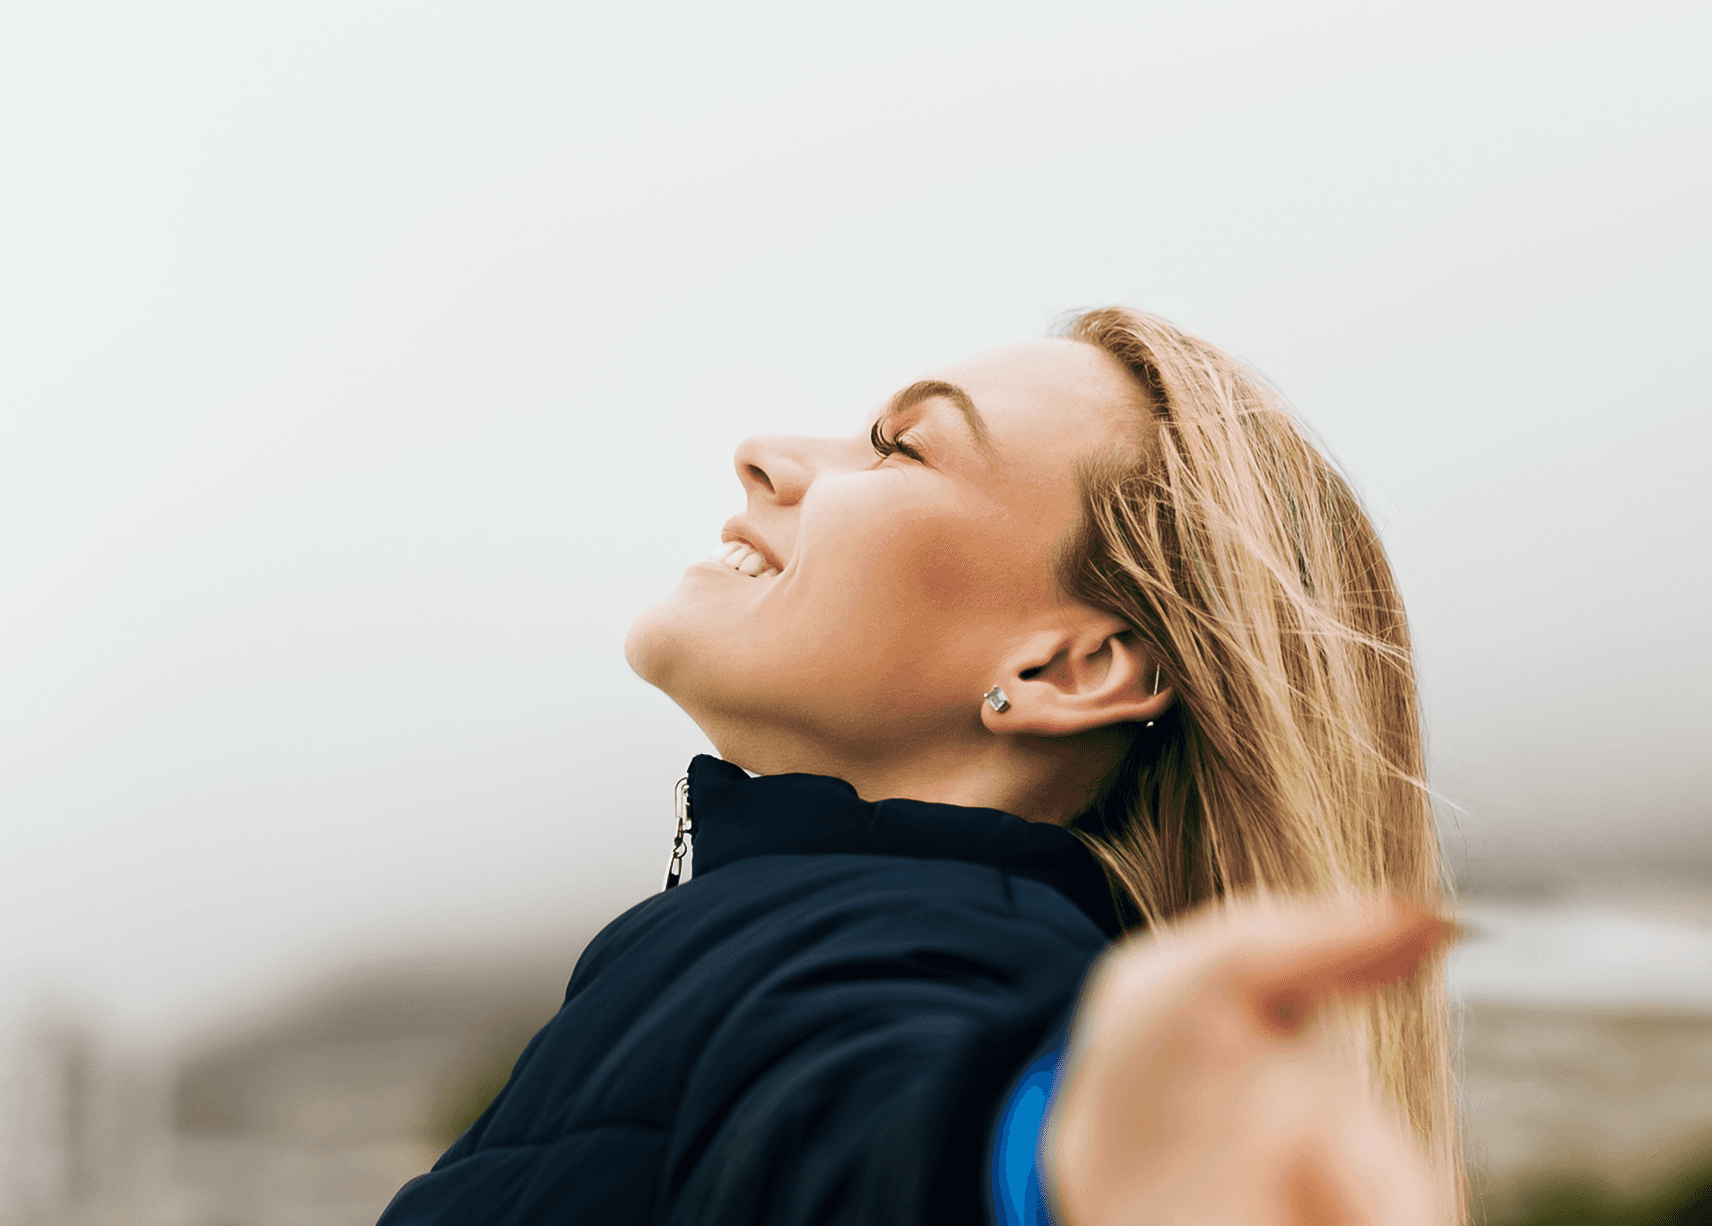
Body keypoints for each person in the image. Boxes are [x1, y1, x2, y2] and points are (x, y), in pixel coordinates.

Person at [373, 308, 1460, 1226]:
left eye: (902, 447)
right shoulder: (794, 923)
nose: (764, 452)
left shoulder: (903, 946)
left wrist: (1042, 1161)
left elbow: (870, 1119)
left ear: (1067, 666)